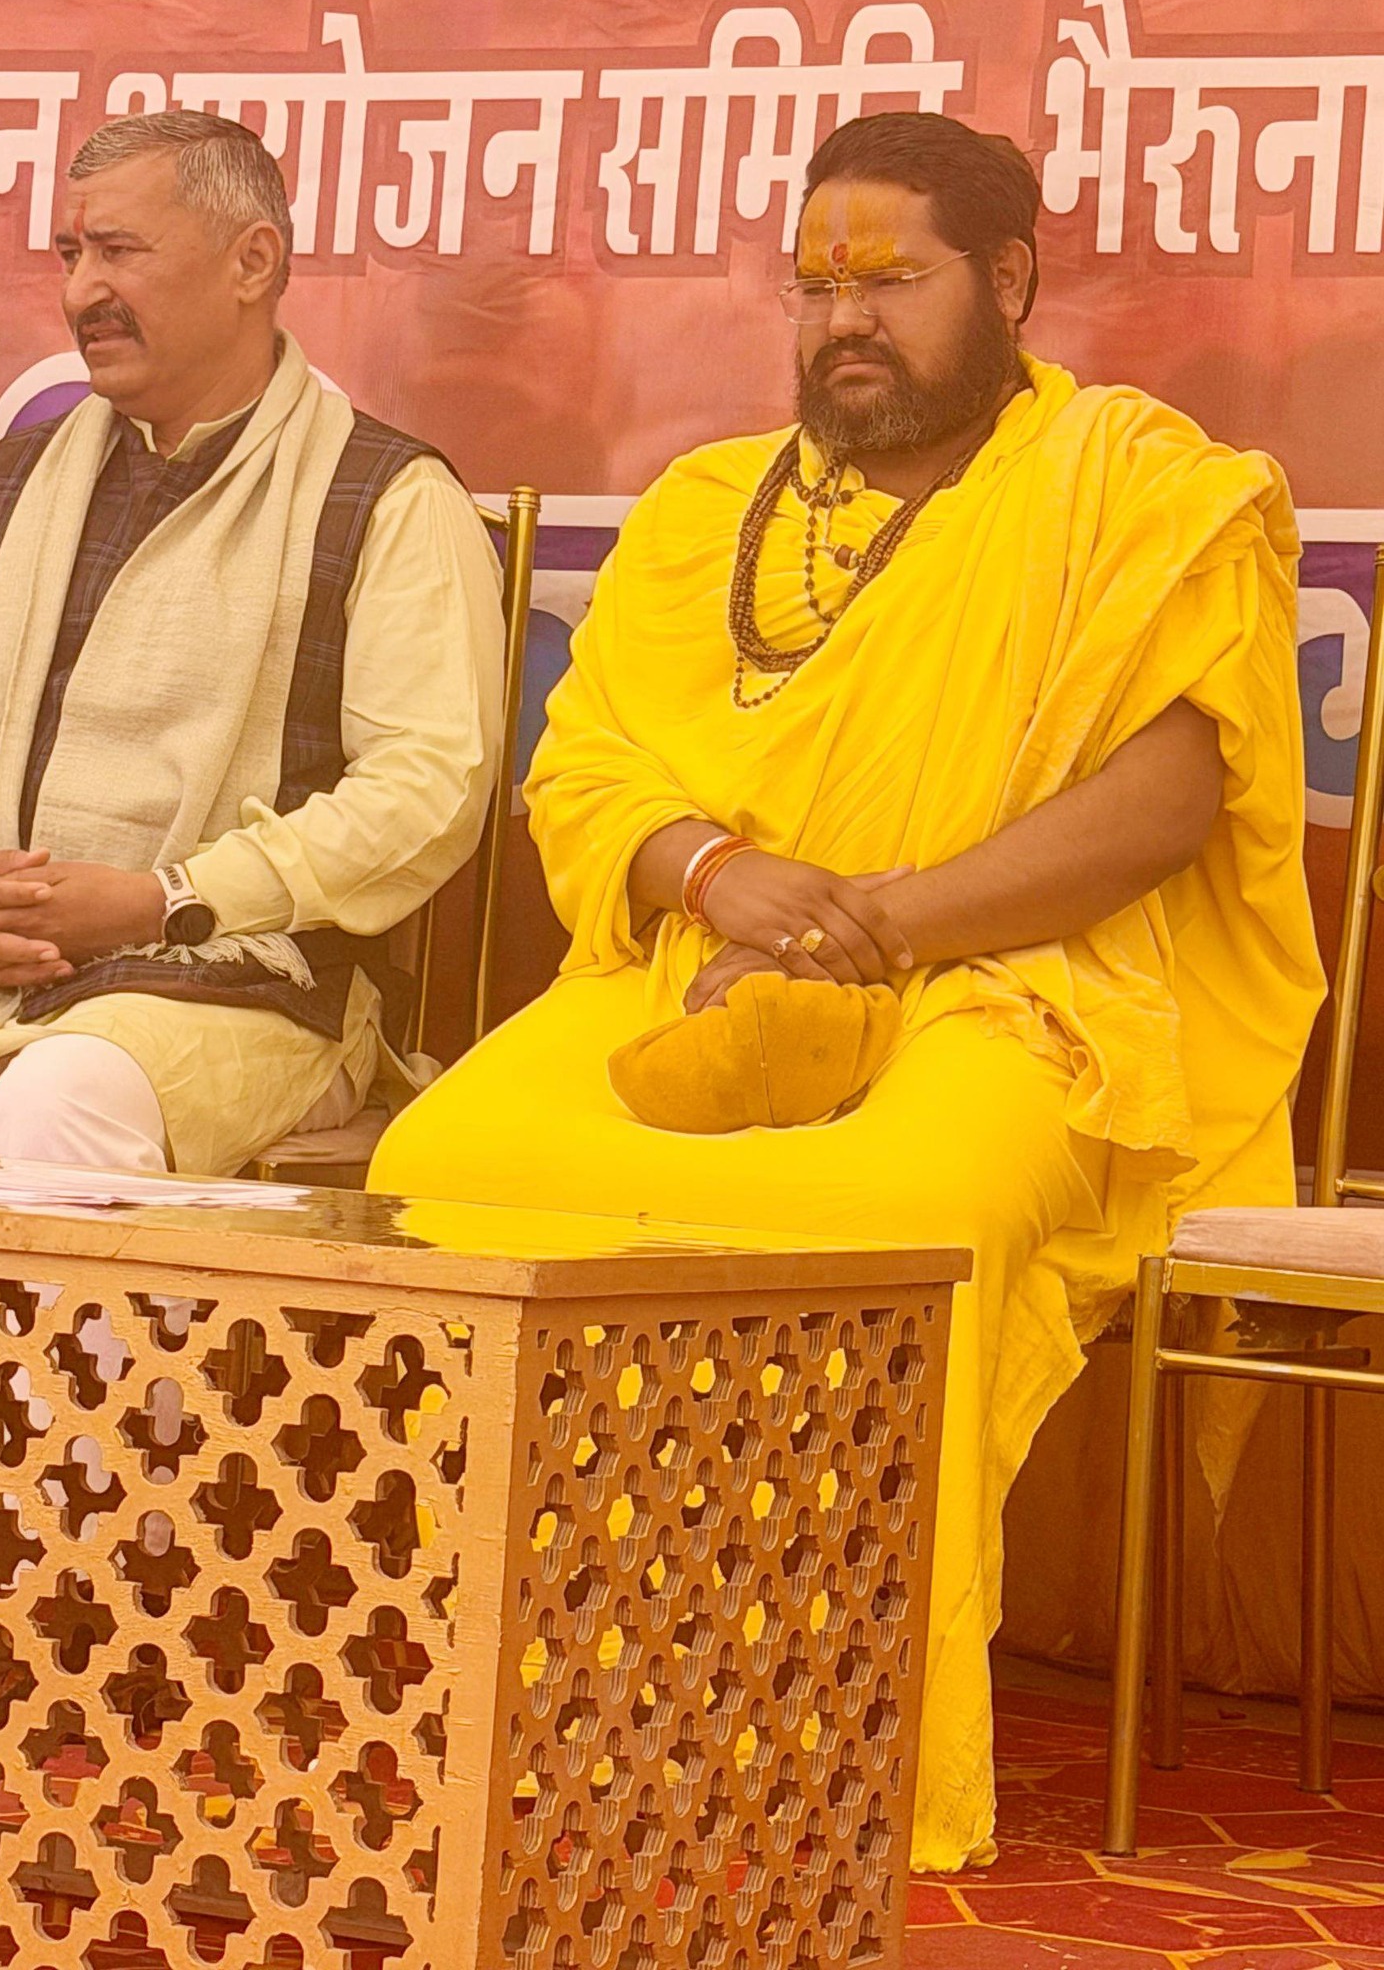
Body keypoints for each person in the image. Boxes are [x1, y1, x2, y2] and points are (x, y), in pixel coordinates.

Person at [369, 111, 1324, 1869]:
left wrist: (874, 924)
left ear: (1009, 280)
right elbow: (585, 770)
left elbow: (1168, 801)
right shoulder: (702, 510)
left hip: (1022, 996)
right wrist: (712, 874)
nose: (844, 320)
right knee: (439, 1173)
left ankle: (822, 1733)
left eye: (890, 280)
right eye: (814, 286)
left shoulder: (1136, 484)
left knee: (891, 1221)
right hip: (697, 971)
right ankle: (515, 1687)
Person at [0, 111, 503, 1175]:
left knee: (60, 1097)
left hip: (238, 984)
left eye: (118, 251)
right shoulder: (8, 485)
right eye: (71, 254)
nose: (80, 293)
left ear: (253, 263)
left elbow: (427, 788)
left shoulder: (383, 496)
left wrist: (169, 900)